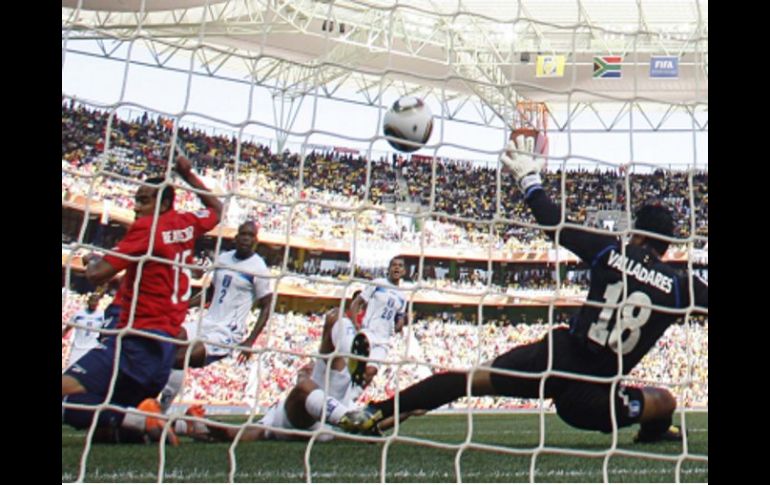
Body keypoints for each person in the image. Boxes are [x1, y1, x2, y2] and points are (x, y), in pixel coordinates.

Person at [341, 135, 708, 443]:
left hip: (555, 359)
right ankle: (653, 432)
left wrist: (529, 180)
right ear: (669, 246)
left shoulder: (610, 248)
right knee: (664, 399)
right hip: (593, 396)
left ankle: (377, 412)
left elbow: (553, 222)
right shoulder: (680, 287)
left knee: (467, 380)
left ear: (637, 233)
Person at [61, 155, 222, 445]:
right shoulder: (187, 223)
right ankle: (153, 422)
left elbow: (97, 275)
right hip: (162, 352)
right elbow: (216, 209)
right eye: (136, 200)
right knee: (105, 431)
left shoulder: (147, 229)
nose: (136, 208)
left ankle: (146, 418)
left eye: (144, 201)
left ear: (163, 204)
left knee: (68, 400)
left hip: (135, 342)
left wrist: (90, 256)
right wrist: (189, 176)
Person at [192, 292, 417, 442]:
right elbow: (246, 433)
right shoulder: (273, 422)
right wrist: (410, 409)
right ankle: (346, 410)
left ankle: (349, 350)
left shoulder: (274, 418)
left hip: (321, 406)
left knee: (332, 322)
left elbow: (241, 432)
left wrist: (416, 405)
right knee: (306, 386)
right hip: (322, 418)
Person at [159, 220, 274, 412]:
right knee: (169, 339)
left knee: (181, 357)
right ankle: (148, 398)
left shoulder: (258, 269)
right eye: (243, 234)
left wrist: (250, 340)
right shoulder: (223, 259)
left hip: (228, 331)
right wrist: (185, 305)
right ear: (236, 238)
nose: (246, 238)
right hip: (207, 321)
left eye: (251, 235)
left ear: (256, 241)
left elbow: (267, 305)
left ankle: (161, 408)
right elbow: (210, 292)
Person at [346, 256, 408, 387]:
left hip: (384, 339)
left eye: (400, 265)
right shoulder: (378, 283)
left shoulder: (403, 296)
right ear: (389, 269)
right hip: (368, 333)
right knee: (353, 368)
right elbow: (357, 303)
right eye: (394, 265)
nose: (397, 267)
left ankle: (353, 397)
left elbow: (400, 317)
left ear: (404, 271)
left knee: (371, 371)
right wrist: (354, 323)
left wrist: (400, 325)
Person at [63, 293, 106, 367]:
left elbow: (104, 332)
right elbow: (67, 328)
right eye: (92, 301)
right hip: (77, 347)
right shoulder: (78, 314)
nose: (93, 303)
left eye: (96, 301)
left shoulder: (102, 315)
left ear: (98, 303)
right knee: (71, 370)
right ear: (88, 301)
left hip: (92, 348)